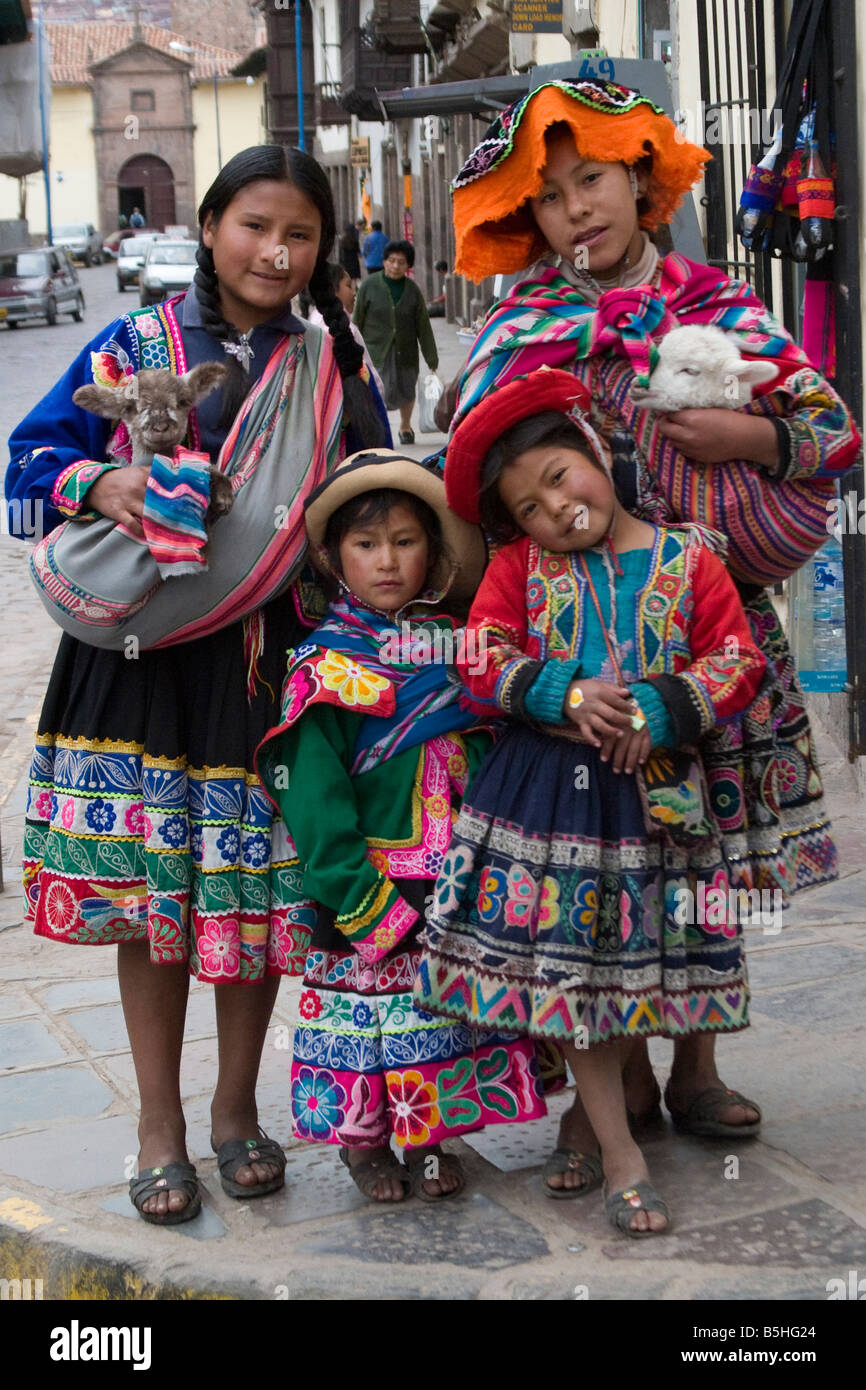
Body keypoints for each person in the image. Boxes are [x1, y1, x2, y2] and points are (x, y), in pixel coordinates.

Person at [443, 77, 860, 1167]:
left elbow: (829, 429)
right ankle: (609, 1079)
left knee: (709, 852)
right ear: (527, 221)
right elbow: (474, 457)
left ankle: (698, 1062)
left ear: (641, 177)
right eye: (550, 197)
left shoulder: (718, 303)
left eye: (594, 181)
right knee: (598, 861)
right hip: (576, 636)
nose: (577, 209)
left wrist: (751, 442)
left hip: (707, 629)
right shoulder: (521, 323)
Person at [5, 144, 386, 1226]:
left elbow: (374, 498)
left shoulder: (331, 366)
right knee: (150, 905)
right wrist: (107, 478)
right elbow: (24, 473)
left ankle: (233, 1113)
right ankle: (158, 1127)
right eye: (255, 224)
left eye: (299, 234)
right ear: (211, 225)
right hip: (138, 670)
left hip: (268, 667)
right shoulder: (136, 345)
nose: (275, 250)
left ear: (321, 250)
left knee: (251, 895)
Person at [415, 368, 767, 1234]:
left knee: (655, 966)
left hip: (665, 815)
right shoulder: (517, 570)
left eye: (561, 477)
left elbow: (737, 657)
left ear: (599, 453)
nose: (556, 510)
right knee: (581, 982)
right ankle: (618, 1148)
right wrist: (561, 693)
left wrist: (662, 706)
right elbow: (479, 656)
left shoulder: (691, 560)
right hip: (558, 812)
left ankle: (654, 1095)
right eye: (530, 507)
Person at [256, 449, 546, 1200]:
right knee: (369, 1017)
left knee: (439, 1014)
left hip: (453, 871)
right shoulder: (322, 669)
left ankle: (433, 1134)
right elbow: (312, 800)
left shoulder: (458, 651)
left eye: (406, 541)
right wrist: (358, 896)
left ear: (435, 551)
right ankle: (367, 1147)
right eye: (366, 544)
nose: (388, 562)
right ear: (332, 558)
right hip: (371, 882)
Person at [354, 240, 439, 445]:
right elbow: (357, 321)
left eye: (401, 262)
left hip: (406, 350)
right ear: (384, 261)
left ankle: (405, 426)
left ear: (408, 266)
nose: (395, 266)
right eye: (391, 261)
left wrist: (431, 358)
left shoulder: (412, 290)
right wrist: (353, 349)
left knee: (407, 387)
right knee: (377, 390)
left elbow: (423, 326)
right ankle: (377, 429)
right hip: (376, 351)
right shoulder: (369, 285)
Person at [302, 262, 385, 398]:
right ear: (332, 290)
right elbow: (367, 373)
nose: (353, 293)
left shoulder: (314, 319)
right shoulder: (343, 330)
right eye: (348, 286)